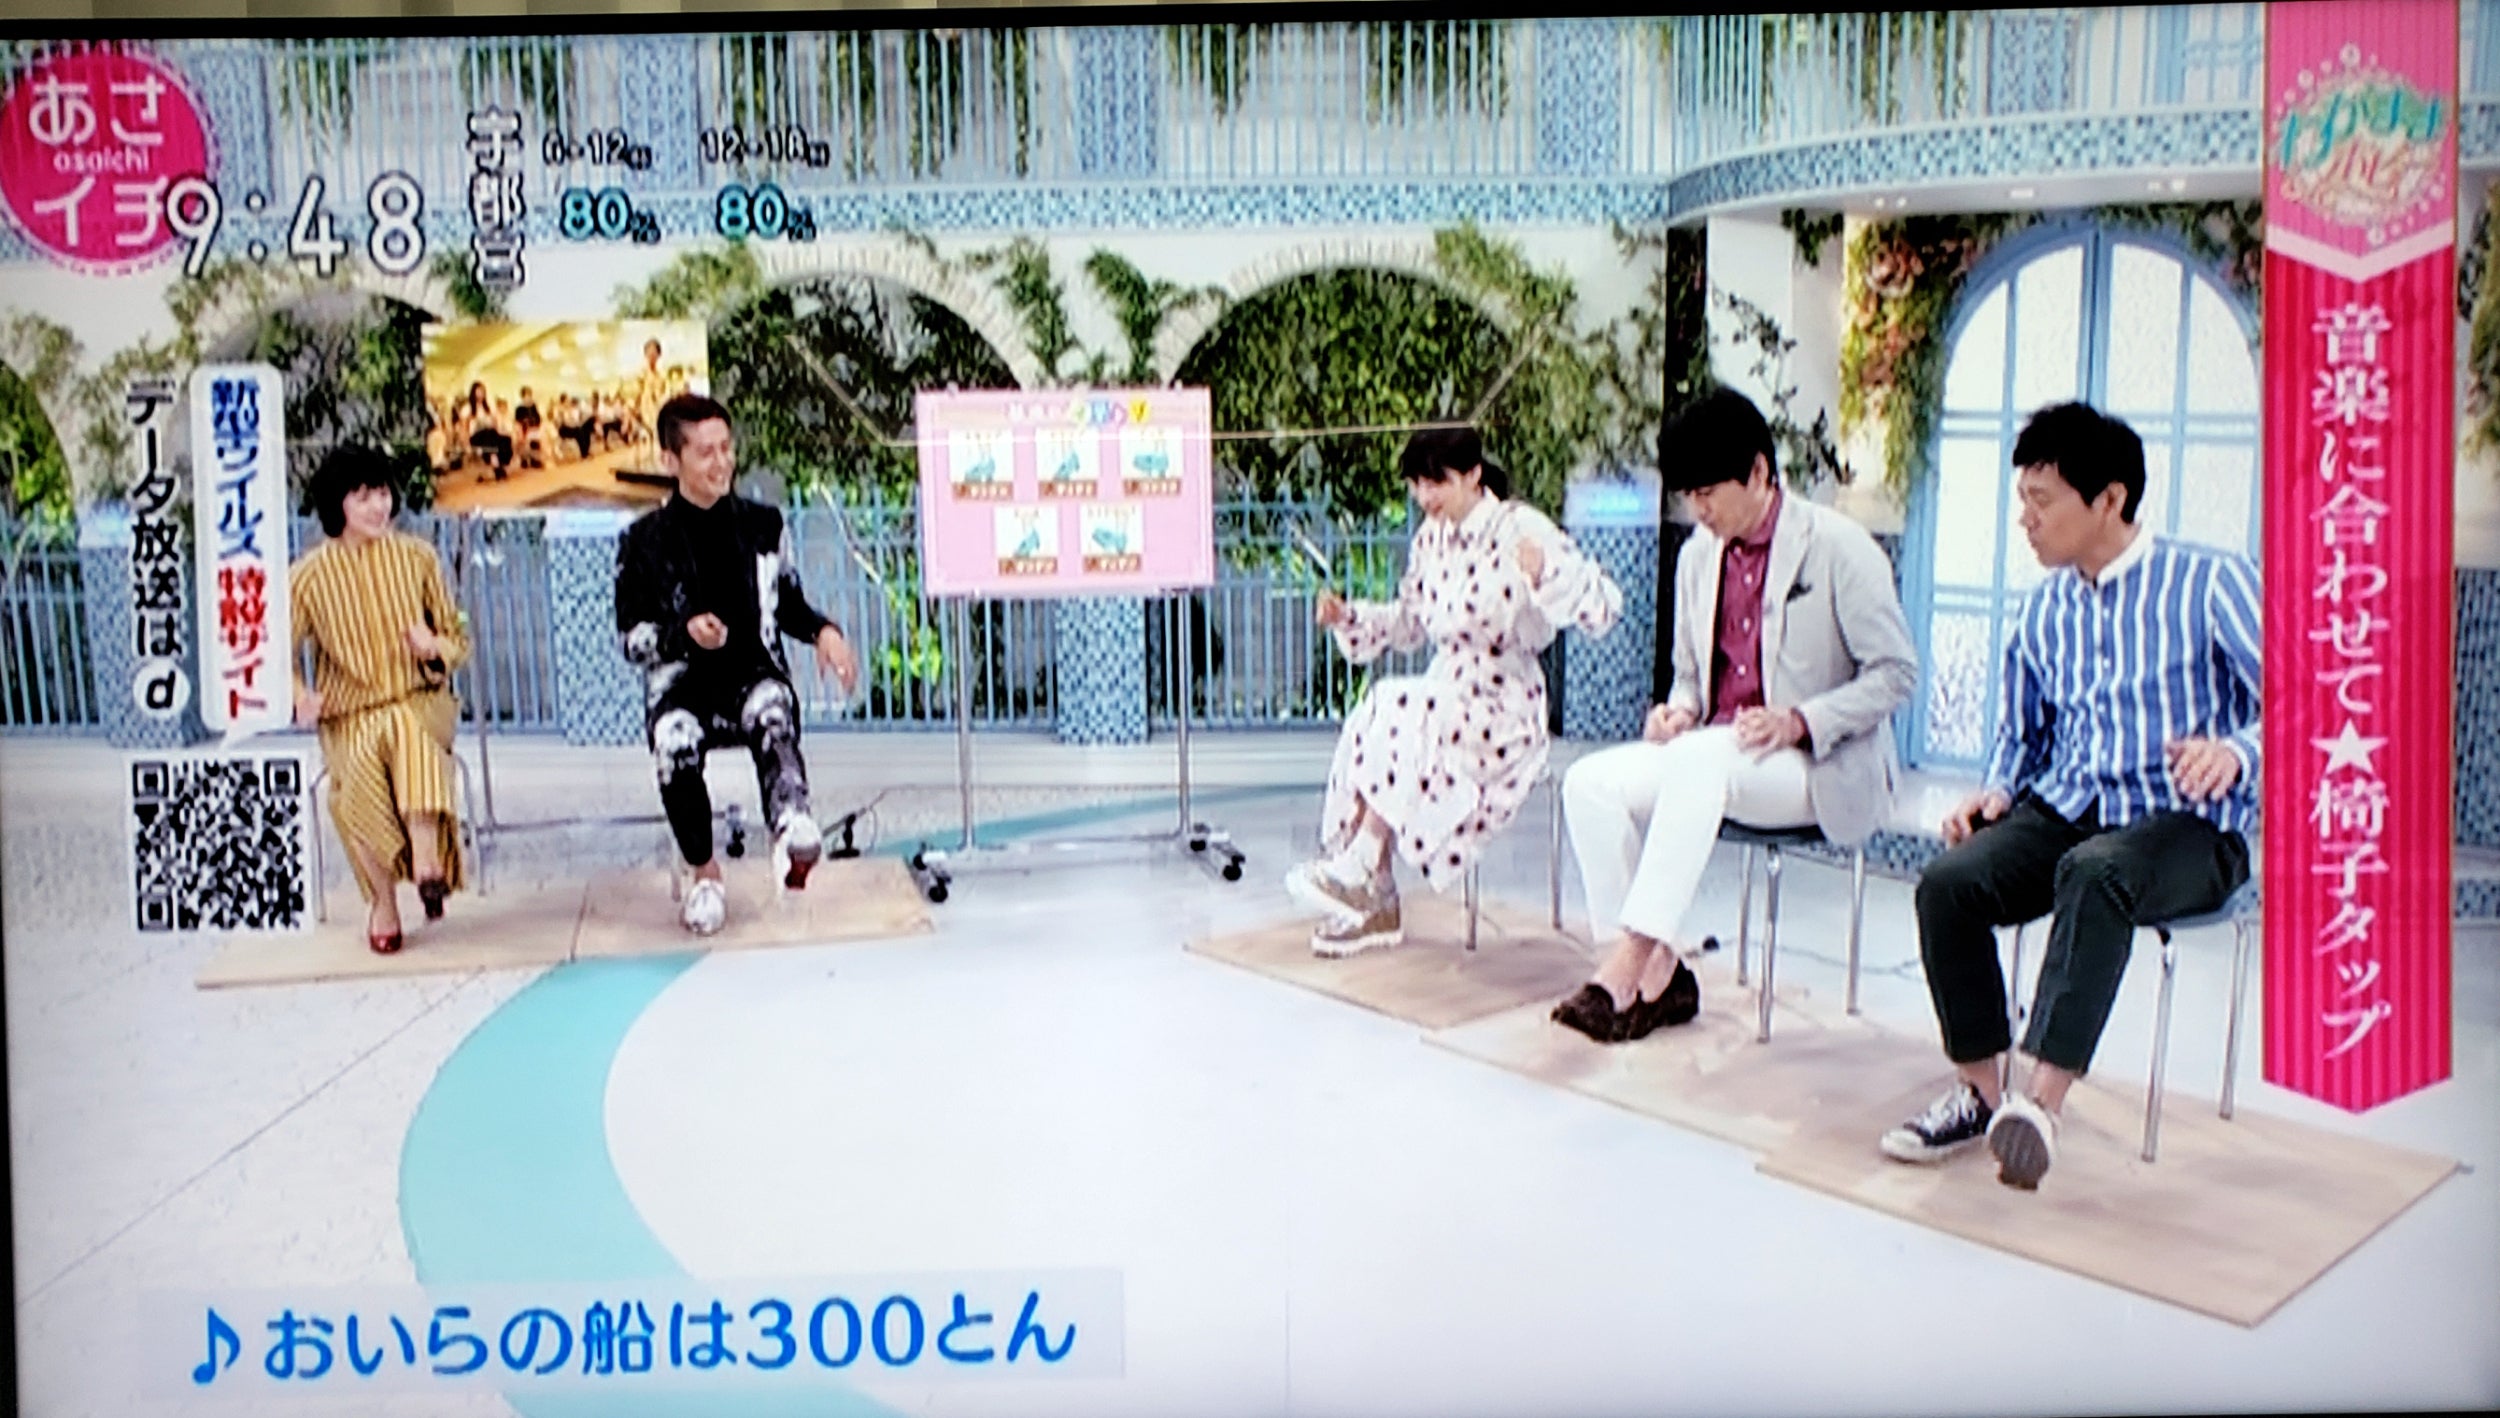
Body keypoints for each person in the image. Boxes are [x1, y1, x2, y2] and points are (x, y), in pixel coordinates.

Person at [1878, 401, 2260, 1191]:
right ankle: (1982, 1095)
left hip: (2186, 827)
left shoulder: (2210, 582)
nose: (2025, 519)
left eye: (2041, 500)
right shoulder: (2045, 607)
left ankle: (2039, 1108)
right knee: (1948, 883)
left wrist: (2235, 751)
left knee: (2098, 872)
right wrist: (1996, 793)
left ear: (2110, 499)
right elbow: (2024, 732)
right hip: (2068, 810)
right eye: (2022, 499)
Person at [1551, 388, 1919, 1042]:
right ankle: (1662, 971)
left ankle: (1625, 966)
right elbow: (1690, 676)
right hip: (1717, 754)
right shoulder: (1698, 555)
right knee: (1589, 783)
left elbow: (1896, 674)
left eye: (1708, 493)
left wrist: (1799, 720)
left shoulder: (1839, 547)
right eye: (1688, 496)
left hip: (1815, 763)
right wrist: (1679, 711)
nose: (1698, 510)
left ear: (1758, 472)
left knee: (1700, 760)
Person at [1283, 426, 1623, 957]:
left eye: (1436, 482)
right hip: (1446, 690)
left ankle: (1364, 863)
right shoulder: (1430, 539)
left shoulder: (1519, 527)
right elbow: (1409, 622)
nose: (1425, 496)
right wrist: (1348, 617)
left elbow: (1603, 607)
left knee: (1402, 704)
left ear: (1472, 475)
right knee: (1378, 708)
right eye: (1417, 485)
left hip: (1504, 706)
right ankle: (1375, 891)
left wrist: (1545, 575)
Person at [614, 393, 862, 936]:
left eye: (726, 448)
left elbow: (789, 603)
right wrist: (683, 635)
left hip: (751, 670)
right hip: (681, 684)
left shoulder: (763, 525)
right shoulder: (642, 542)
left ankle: (791, 830)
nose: (721, 462)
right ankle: (705, 875)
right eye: (705, 452)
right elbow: (630, 638)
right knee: (675, 740)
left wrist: (824, 632)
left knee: (773, 709)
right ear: (671, 460)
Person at [289, 444, 470, 955]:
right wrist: (300, 694)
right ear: (337, 504)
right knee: (362, 767)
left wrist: (433, 647)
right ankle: (386, 901)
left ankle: (426, 859)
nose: (378, 507)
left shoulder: (419, 558)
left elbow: (458, 637)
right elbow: (276, 651)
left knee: (405, 727)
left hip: (418, 700)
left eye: (383, 493)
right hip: (349, 716)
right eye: (363, 496)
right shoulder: (306, 577)